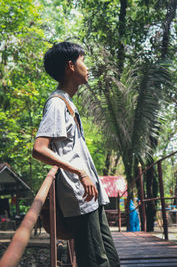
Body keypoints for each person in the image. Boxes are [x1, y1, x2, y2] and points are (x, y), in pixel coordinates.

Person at [32, 41, 120, 267]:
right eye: (83, 60)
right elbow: (39, 149)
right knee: (95, 261)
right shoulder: (56, 103)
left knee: (110, 259)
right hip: (80, 195)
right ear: (70, 66)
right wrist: (79, 172)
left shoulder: (68, 103)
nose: (87, 66)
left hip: (92, 195)